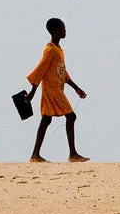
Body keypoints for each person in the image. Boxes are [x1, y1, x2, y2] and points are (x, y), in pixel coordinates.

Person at [25, 18, 90, 163]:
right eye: (63, 28)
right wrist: (32, 93)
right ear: (56, 31)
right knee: (71, 116)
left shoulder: (58, 50)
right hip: (52, 89)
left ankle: (35, 155)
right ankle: (73, 154)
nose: (65, 31)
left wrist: (76, 88)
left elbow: (62, 72)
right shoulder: (50, 50)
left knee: (46, 119)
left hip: (57, 88)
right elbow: (40, 70)